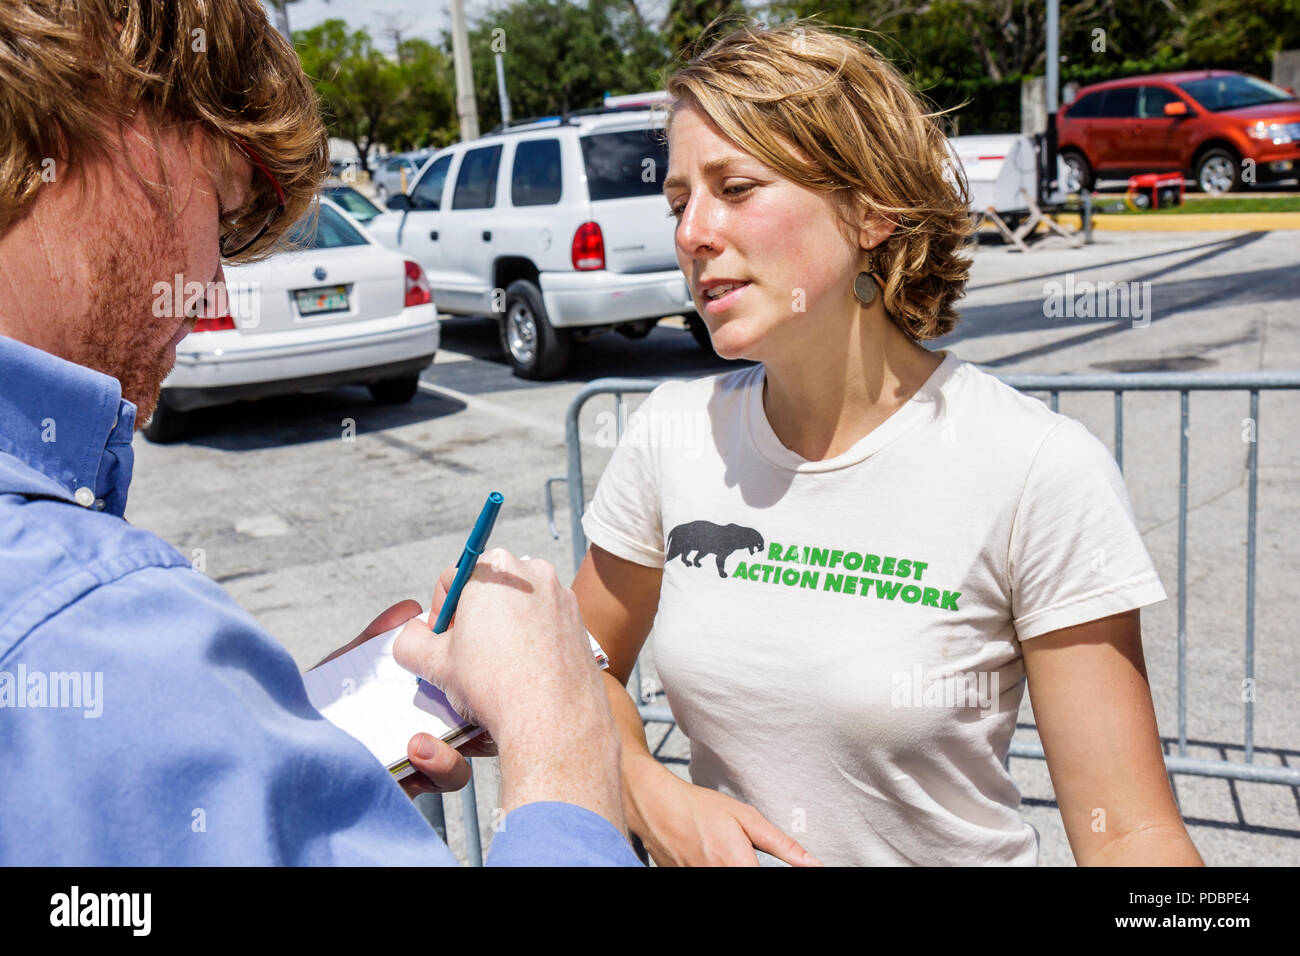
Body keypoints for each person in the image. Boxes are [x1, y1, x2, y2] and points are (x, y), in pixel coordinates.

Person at [0, 0, 637, 866]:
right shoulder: (88, 619)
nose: (209, 287)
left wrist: (256, 750)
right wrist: (559, 742)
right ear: (118, 114)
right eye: (217, 213)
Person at [573, 20, 1205, 866]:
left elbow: (1132, 833)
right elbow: (581, 667)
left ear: (871, 209)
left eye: (735, 186)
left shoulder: (1036, 468)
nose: (692, 233)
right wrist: (655, 797)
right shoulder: (671, 433)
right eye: (680, 200)